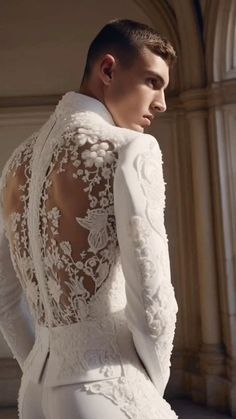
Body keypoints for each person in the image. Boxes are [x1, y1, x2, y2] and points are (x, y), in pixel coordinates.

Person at [0, 18, 179, 419]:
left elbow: (5, 301)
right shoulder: (132, 150)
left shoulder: (16, 164)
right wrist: (148, 389)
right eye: (153, 81)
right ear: (109, 69)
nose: (162, 103)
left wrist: (41, 365)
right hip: (106, 385)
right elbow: (153, 300)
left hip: (35, 394)